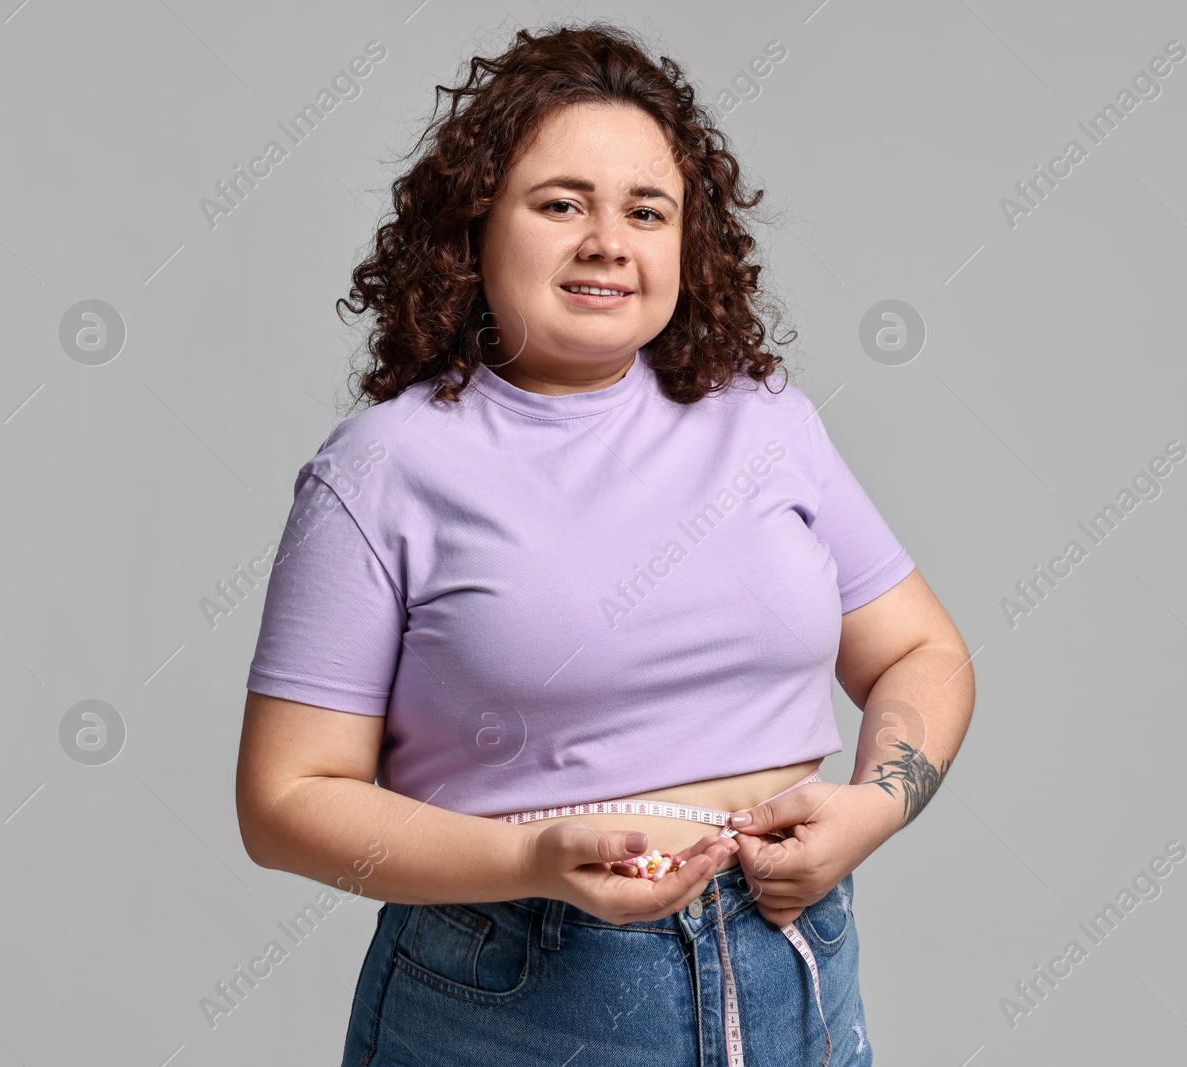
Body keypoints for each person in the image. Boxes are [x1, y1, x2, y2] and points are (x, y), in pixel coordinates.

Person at [234, 21, 974, 1067]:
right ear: (474, 226)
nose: (607, 241)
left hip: (790, 968)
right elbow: (284, 800)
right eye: (560, 203)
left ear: (687, 242)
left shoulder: (766, 422)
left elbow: (922, 652)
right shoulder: (381, 467)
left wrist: (876, 804)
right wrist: (530, 856)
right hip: (514, 992)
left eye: (646, 209)